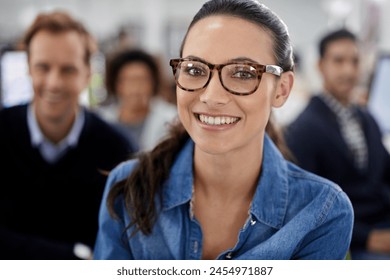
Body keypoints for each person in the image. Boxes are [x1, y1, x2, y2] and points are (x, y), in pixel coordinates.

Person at [94, 0, 353, 260]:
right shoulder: (129, 186)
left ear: (282, 89)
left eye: (243, 73)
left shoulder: (322, 211)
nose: (212, 96)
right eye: (194, 70)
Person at [0, 11, 134, 259]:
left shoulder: (117, 150)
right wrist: (73, 255)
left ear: (87, 74)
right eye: (43, 67)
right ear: (28, 68)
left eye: (68, 70)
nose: (54, 82)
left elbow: (122, 247)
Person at [285, 29, 390, 259]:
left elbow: (385, 171)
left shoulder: (365, 118)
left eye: (354, 61)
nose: (349, 70)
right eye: (339, 61)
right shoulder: (304, 129)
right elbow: (309, 210)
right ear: (321, 66)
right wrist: (369, 237)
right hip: (352, 235)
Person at [97, 49, 177, 151]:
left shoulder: (171, 120)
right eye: (129, 81)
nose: (135, 89)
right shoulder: (103, 121)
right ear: (116, 84)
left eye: (142, 80)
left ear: (153, 83)